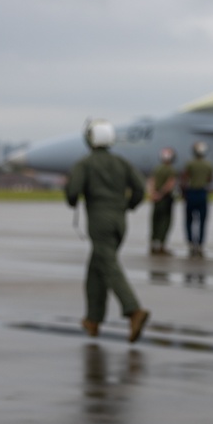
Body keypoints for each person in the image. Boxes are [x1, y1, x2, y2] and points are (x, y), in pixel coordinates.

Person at [65, 120, 150, 342]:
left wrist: (73, 197)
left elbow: (72, 192)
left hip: (99, 222)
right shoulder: (122, 162)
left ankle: (134, 310)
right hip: (119, 222)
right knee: (96, 269)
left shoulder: (85, 163)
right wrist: (127, 206)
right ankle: (93, 320)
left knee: (109, 267)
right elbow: (140, 189)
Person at [180, 140, 213, 258]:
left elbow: (184, 178)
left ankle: (191, 243)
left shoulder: (189, 164)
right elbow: (210, 179)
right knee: (202, 221)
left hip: (191, 194)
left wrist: (183, 192)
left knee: (189, 220)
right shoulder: (209, 165)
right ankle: (200, 245)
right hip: (202, 194)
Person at [146, 147, 177, 256]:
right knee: (165, 222)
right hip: (165, 198)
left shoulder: (157, 168)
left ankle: (153, 244)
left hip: (156, 198)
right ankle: (161, 246)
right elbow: (170, 183)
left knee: (155, 221)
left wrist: (153, 193)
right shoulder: (170, 170)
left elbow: (151, 181)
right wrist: (161, 194)